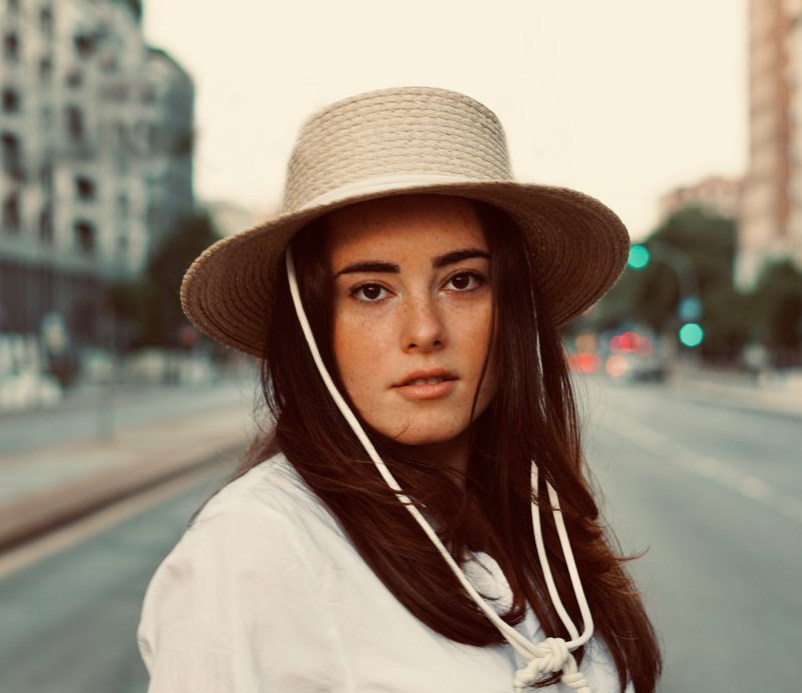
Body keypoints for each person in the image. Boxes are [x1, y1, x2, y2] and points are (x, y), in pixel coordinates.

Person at [138, 86, 662, 692]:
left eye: (463, 281)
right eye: (370, 290)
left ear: (511, 304)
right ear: (312, 324)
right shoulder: (253, 551)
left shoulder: (537, 528)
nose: (424, 331)